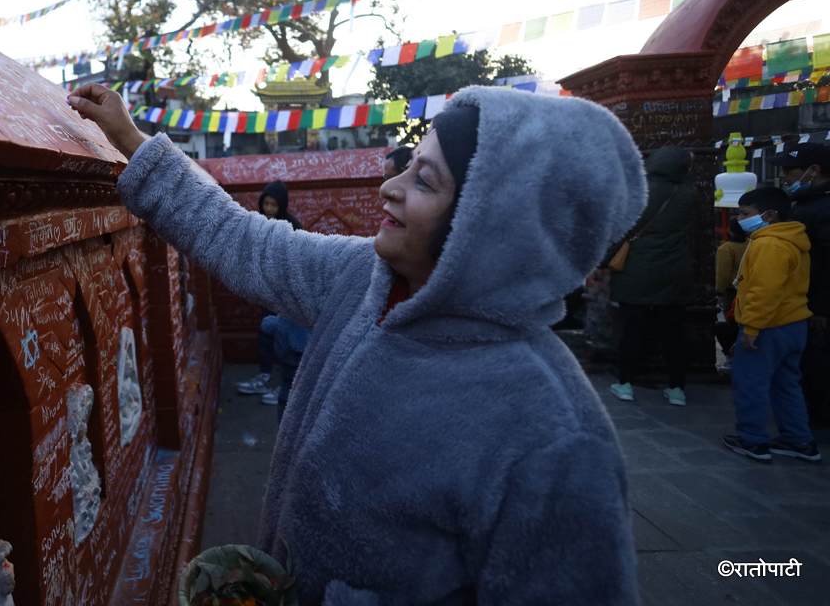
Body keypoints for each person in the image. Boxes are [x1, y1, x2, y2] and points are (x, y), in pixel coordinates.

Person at [68, 82, 642, 603]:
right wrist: (132, 139)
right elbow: (247, 242)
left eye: (424, 180)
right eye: (408, 166)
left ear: (489, 226)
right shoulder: (363, 280)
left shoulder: (555, 436)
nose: (388, 188)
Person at [722, 187, 821, 463]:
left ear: (769, 214)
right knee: (786, 383)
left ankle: (752, 439)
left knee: (750, 382)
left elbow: (764, 291)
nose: (740, 218)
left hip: (768, 326)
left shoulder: (769, 244)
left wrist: (751, 327)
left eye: (745, 213)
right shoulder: (792, 239)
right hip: (794, 322)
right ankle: (798, 439)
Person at [608, 146, 696, 407]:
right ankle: (677, 388)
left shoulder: (638, 191)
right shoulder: (689, 193)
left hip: (636, 269)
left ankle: (625, 383)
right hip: (675, 271)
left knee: (631, 331)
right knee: (673, 334)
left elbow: (619, 228)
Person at [237, 182, 303, 402]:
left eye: (274, 205)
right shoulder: (258, 223)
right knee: (265, 332)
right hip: (265, 289)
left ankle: (287, 385)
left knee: (286, 336)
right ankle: (265, 375)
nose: (269, 209)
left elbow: (297, 259)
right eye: (266, 204)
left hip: (286, 292)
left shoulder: (292, 226)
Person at [780, 143, 830, 427]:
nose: (785, 176)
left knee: (816, 367)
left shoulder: (820, 209)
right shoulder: (806, 204)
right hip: (805, 302)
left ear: (814, 171)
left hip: (816, 304)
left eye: (791, 170)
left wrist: (821, 307)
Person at [714, 221, 748, 372]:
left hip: (731, 292)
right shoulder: (751, 245)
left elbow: (722, 275)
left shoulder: (726, 249)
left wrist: (719, 292)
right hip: (748, 290)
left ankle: (733, 357)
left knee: (731, 323)